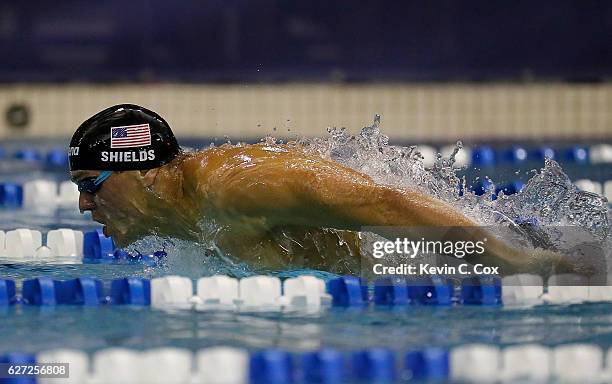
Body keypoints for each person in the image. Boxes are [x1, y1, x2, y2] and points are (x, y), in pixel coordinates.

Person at [69, 104, 576, 275]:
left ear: (142, 171)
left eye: (92, 185)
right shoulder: (175, 221)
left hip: (438, 263)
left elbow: (385, 202)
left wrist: (513, 260)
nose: (83, 204)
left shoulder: (235, 186)